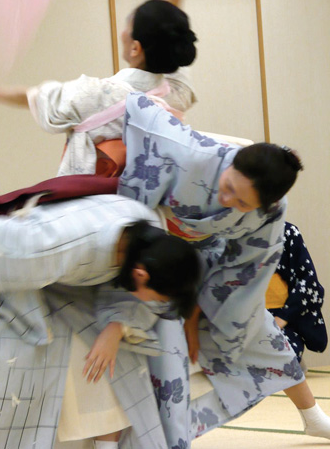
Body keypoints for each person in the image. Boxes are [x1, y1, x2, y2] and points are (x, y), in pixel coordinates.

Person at [117, 91, 330, 446]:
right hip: (156, 251)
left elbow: (247, 268)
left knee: (260, 333)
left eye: (242, 203)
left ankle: (312, 417)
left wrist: (198, 313)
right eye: (229, 187)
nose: (227, 200)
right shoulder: (189, 153)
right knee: (165, 350)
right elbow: (138, 107)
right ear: (230, 162)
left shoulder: (271, 213)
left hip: (207, 260)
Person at [0, 191, 203, 449]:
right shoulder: (68, 241)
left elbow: (125, 291)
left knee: (125, 355)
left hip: (66, 286)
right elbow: (17, 245)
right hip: (2, 283)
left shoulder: (150, 237)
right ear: (141, 275)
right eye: (157, 298)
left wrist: (116, 327)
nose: (155, 303)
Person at [0, 0, 201, 178]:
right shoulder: (176, 95)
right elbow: (166, 37)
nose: (122, 33)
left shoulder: (98, 96)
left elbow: (40, 97)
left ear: (135, 48)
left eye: (128, 26)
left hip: (94, 205)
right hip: (146, 206)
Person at [266, 221, 327, 362]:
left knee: (282, 356)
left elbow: (308, 282)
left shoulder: (286, 231)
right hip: (240, 321)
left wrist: (283, 318)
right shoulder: (226, 233)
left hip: (280, 320)